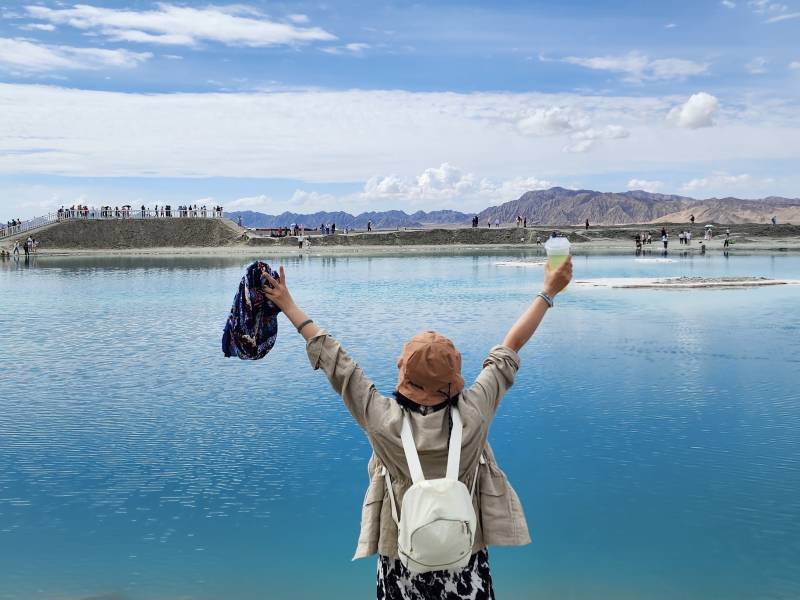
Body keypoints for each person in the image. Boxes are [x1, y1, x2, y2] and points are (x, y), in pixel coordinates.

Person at [260, 256, 573, 600]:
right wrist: (548, 291)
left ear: (406, 377)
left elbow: (339, 365)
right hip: (465, 563)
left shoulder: (384, 422)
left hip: (402, 565)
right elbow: (509, 349)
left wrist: (287, 303)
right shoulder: (474, 413)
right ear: (453, 379)